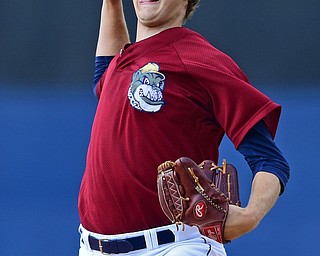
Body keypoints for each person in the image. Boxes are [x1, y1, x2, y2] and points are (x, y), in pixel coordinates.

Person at [78, 0, 290, 255]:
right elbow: (103, 75)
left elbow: (270, 160)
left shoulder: (201, 59)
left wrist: (250, 215)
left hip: (175, 246)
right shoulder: (122, 62)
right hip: (93, 247)